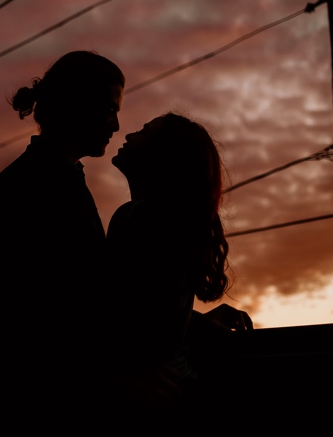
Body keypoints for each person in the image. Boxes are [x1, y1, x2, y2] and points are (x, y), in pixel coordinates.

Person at [0, 51, 124, 434]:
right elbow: (53, 310)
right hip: (28, 402)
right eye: (109, 108)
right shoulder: (40, 184)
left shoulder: (48, 177)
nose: (116, 124)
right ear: (76, 104)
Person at [105, 113, 247, 429]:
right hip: (179, 392)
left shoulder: (137, 219)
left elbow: (115, 314)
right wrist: (194, 323)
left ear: (161, 156)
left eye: (143, 130)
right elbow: (149, 310)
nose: (128, 134)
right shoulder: (171, 222)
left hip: (147, 403)